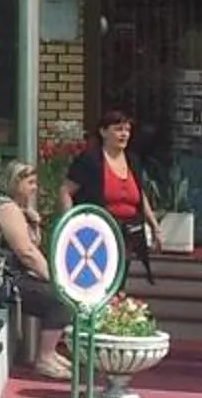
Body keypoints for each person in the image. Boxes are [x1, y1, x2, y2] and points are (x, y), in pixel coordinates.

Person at [0, 162, 69, 380]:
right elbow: (26, 252)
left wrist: (34, 223)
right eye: (30, 182)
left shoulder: (3, 204)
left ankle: (49, 352)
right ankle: (46, 357)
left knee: (51, 293)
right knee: (61, 298)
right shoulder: (7, 209)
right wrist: (56, 280)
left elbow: (31, 245)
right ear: (15, 182)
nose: (34, 188)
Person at [59, 109, 157, 285]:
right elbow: (66, 191)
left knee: (119, 281)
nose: (124, 134)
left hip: (127, 233)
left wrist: (154, 226)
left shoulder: (133, 160)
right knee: (100, 282)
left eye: (127, 130)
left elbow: (140, 194)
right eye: (118, 129)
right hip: (97, 234)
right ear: (103, 132)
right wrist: (71, 224)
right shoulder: (90, 160)